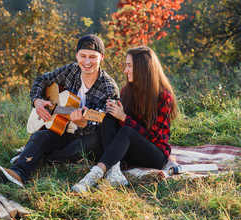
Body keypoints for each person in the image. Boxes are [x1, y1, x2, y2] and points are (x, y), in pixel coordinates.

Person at [0, 34, 119, 187]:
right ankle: (18, 174)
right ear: (76, 56)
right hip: (62, 131)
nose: (87, 62)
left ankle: (38, 156)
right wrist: (37, 101)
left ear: (102, 57)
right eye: (83, 56)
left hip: (85, 138)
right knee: (40, 135)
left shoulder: (108, 87)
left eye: (92, 57)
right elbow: (41, 80)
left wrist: (83, 123)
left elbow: (107, 126)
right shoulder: (71, 71)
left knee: (92, 143)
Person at [71, 46, 178, 193]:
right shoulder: (127, 91)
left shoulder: (164, 97)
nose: (125, 70)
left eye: (129, 66)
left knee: (127, 130)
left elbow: (153, 137)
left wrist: (124, 118)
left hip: (155, 156)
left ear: (143, 69)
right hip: (131, 152)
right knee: (108, 117)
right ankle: (114, 172)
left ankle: (93, 176)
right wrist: (113, 115)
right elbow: (121, 130)